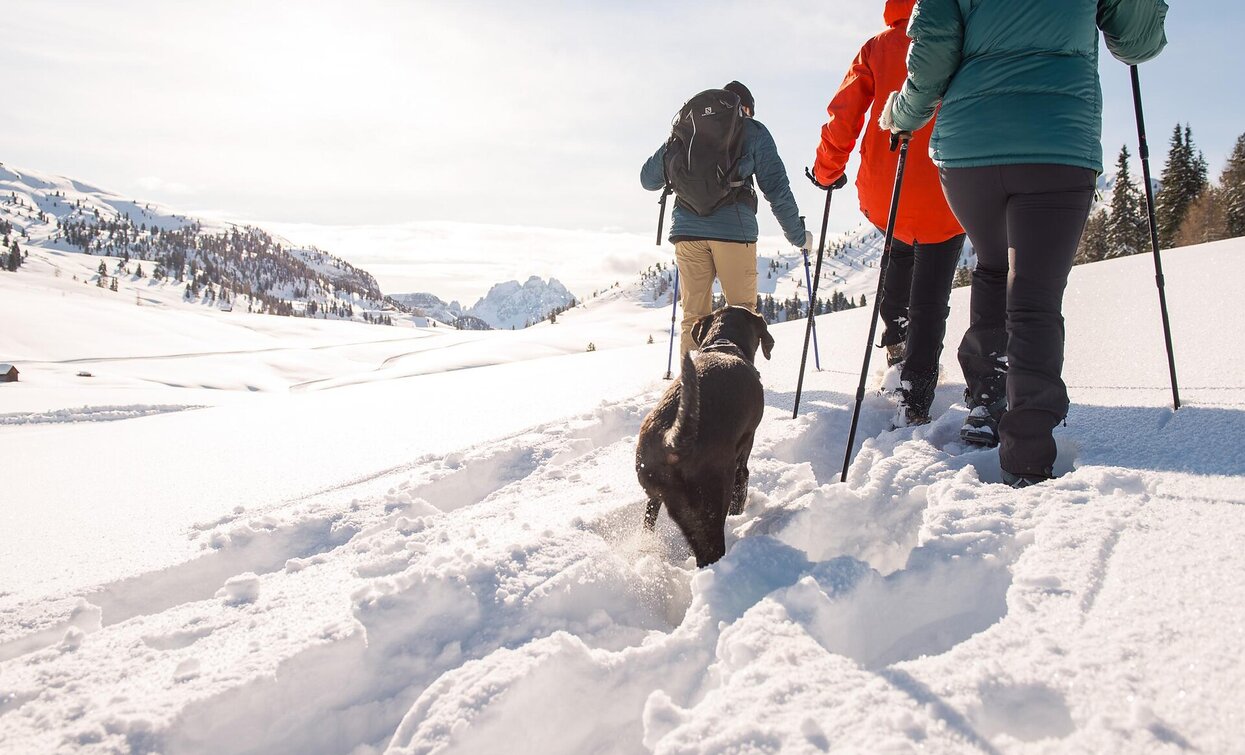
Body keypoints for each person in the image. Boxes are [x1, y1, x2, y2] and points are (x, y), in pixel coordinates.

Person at [880, 0, 1168, 487]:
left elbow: (931, 59)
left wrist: (901, 115)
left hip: (969, 153)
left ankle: (987, 403)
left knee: (992, 265)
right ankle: (1028, 456)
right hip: (1057, 143)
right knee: (1034, 297)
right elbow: (1136, 41)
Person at [812, 0, 966, 427]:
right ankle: (916, 391)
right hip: (948, 184)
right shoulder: (962, 36)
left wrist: (828, 170)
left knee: (899, 252)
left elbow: (845, 113)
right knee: (932, 292)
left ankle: (896, 339)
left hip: (889, 186)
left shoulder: (877, 47)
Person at [642, 81, 810, 356]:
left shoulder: (688, 131)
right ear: (744, 108)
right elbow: (776, 189)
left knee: (693, 315)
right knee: (743, 313)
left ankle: (691, 386)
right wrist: (798, 236)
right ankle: (736, 382)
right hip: (735, 231)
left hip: (687, 232)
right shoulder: (753, 131)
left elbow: (647, 179)